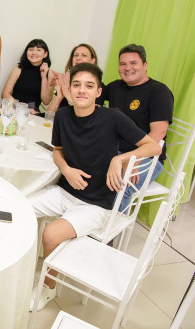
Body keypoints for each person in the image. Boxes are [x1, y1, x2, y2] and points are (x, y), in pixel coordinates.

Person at [28, 62, 161, 311]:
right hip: (66, 191)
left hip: (97, 203)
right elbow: (57, 151)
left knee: (51, 234)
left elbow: (153, 147)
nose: (82, 90)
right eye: (77, 85)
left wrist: (119, 159)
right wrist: (66, 169)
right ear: (69, 88)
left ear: (98, 92)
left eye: (89, 86)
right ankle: (19, 265)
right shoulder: (63, 116)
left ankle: (48, 287)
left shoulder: (112, 117)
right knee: (20, 207)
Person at [102, 44, 173, 211]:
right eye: (123, 64)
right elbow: (90, 101)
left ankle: (112, 227)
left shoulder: (159, 92)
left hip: (147, 157)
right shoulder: (115, 87)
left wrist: (134, 160)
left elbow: (159, 133)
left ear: (145, 65)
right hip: (115, 152)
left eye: (133, 63)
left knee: (118, 187)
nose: (127, 68)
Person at [45, 43, 105, 113]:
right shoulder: (66, 81)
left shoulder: (97, 86)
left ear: (92, 60)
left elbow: (88, 116)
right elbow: (48, 115)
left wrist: (68, 95)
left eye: (84, 55)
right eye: (76, 55)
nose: (78, 58)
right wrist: (59, 96)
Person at [1, 39, 51, 114]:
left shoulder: (49, 73)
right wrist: (23, 108)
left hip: (33, 112)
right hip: (13, 108)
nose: (34, 53)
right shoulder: (18, 68)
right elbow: (5, 94)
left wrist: (44, 77)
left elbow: (46, 101)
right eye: (31, 49)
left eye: (38, 50)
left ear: (45, 54)